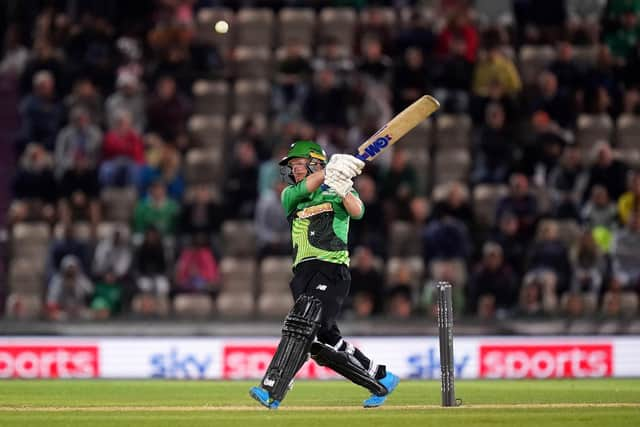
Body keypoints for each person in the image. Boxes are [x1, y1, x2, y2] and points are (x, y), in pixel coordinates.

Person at [249, 141, 399, 410]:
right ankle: (380, 377)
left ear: (314, 162)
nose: (294, 171)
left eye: (298, 165)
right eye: (292, 167)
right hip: (303, 273)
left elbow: (358, 211)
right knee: (324, 339)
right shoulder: (290, 195)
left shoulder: (337, 191)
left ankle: (273, 388)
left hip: (332, 269)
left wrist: (343, 190)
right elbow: (308, 186)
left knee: (301, 324)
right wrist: (330, 171)